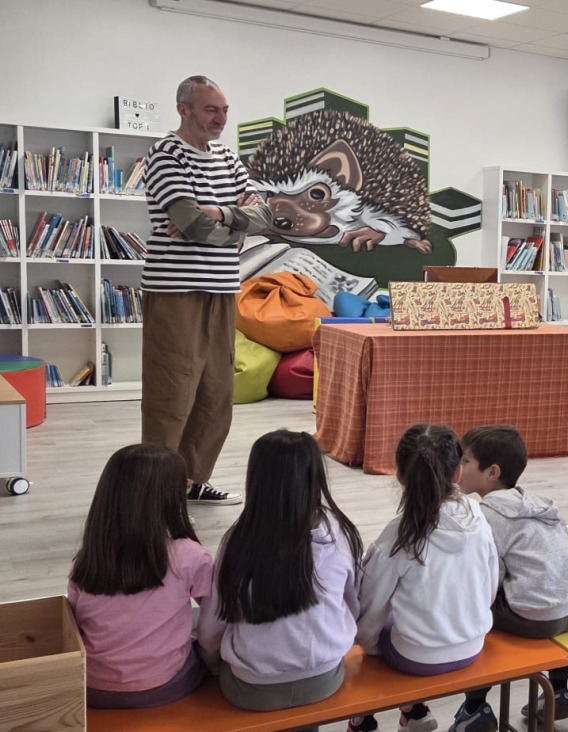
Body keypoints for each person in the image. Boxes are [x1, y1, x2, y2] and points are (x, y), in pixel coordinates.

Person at [142, 75, 273, 506]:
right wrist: (232, 226)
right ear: (184, 109)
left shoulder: (227, 158)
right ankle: (157, 491)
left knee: (217, 392)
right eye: (210, 110)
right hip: (176, 290)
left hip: (221, 289)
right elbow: (195, 227)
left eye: (224, 110)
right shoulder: (165, 156)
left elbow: (264, 217)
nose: (220, 119)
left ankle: (192, 481)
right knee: (172, 391)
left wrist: (218, 212)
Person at [196, 430, 363, 725]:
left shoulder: (237, 541)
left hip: (251, 689)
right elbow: (351, 604)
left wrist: (210, 665)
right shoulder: (338, 533)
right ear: (315, 477)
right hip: (322, 679)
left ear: (256, 479)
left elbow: (211, 629)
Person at [449, 425, 568, 732]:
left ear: (492, 472)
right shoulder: (540, 503)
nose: (459, 468)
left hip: (538, 619)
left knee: (475, 608)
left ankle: (475, 707)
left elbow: (488, 581)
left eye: (465, 461)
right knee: (537, 590)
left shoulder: (488, 516)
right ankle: (558, 689)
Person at [350, 425, 499, 732]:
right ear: (457, 473)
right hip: (473, 645)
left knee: (382, 621)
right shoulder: (477, 516)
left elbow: (368, 610)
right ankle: (414, 711)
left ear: (399, 475)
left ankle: (364, 719)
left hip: (416, 656)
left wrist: (369, 645)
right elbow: (489, 588)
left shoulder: (399, 533)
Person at [68, 444, 212, 709]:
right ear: (168, 497)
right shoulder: (189, 555)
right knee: (207, 643)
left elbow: (77, 620)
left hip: (93, 686)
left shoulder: (86, 560)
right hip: (162, 686)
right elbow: (216, 615)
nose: (190, 484)